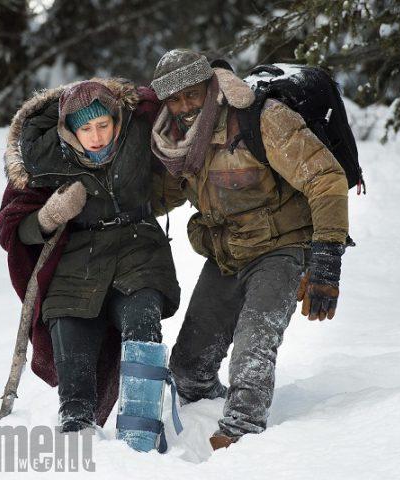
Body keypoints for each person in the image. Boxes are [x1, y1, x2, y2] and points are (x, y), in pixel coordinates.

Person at [149, 49, 350, 449]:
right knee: (189, 370)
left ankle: (241, 435)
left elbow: (326, 178)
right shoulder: (174, 141)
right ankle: (199, 415)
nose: (185, 106)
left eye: (192, 93)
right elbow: (158, 198)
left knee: (253, 347)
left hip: (282, 247)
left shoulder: (260, 118)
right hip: (226, 253)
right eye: (174, 99)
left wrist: (327, 261)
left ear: (209, 86)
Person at [0, 79, 180, 450]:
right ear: (68, 130)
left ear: (117, 120)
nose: (96, 137)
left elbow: (184, 99)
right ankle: (76, 427)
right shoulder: (44, 159)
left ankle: (140, 429)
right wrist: (49, 216)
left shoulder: (138, 131)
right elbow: (16, 230)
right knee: (67, 324)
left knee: (141, 317)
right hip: (78, 258)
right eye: (85, 128)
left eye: (103, 126)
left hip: (138, 248)